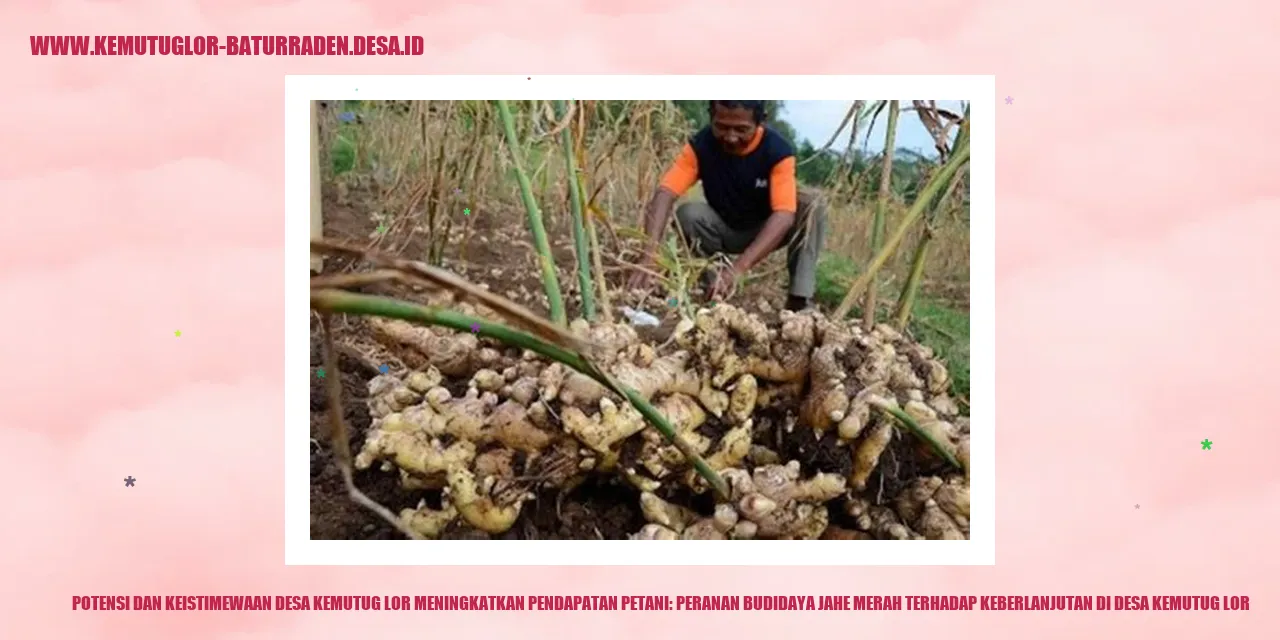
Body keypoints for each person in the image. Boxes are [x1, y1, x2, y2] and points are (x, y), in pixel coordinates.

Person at [626, 100, 827, 311]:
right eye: (721, 127)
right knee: (688, 214)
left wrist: (738, 269)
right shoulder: (700, 145)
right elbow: (664, 194)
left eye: (742, 129)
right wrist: (648, 256)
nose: (730, 137)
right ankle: (712, 285)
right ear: (711, 117)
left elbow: (784, 216)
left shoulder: (778, 151)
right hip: (723, 228)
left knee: (811, 204)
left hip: (766, 230)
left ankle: (799, 299)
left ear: (761, 122)